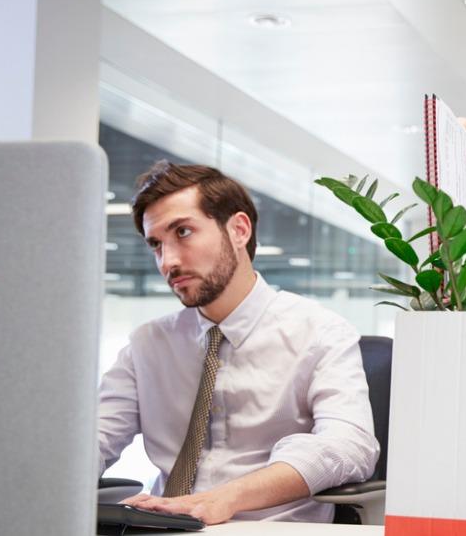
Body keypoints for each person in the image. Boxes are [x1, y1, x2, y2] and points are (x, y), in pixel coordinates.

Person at [97, 161, 379, 523]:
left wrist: (226, 498)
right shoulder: (147, 344)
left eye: (182, 232)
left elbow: (350, 445)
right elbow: (95, 439)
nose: (168, 262)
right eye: (156, 245)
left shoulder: (319, 332)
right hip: (164, 527)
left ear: (239, 230)